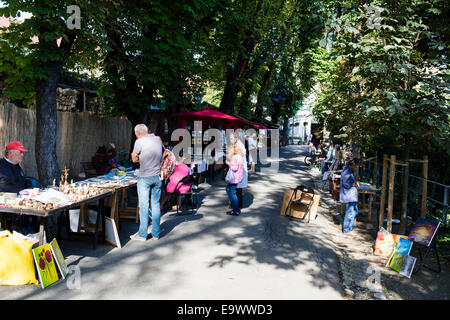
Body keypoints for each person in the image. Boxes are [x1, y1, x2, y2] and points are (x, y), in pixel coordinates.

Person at [130, 124, 163, 241]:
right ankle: (156, 233)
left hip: (144, 177)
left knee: (143, 205)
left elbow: (134, 158)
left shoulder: (139, 141)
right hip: (158, 177)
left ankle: (142, 234)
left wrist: (138, 158)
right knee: (155, 204)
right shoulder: (158, 139)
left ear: (138, 133)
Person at [340, 158, 361, 234]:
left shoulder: (350, 170)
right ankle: (346, 229)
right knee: (350, 212)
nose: (357, 167)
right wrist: (355, 184)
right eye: (356, 165)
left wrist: (355, 182)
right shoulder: (347, 170)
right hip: (349, 195)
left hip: (352, 195)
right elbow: (346, 183)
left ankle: (350, 228)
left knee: (354, 212)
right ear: (354, 164)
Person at [225, 143, 245, 216]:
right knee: (229, 190)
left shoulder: (235, 157)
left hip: (234, 177)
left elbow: (234, 168)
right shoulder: (240, 157)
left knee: (232, 192)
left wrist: (229, 163)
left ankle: (235, 209)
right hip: (237, 177)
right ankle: (234, 208)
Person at [229, 132, 248, 208]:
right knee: (238, 189)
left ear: (236, 138)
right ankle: (238, 204)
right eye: (230, 138)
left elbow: (237, 159)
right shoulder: (238, 144)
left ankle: (236, 206)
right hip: (239, 170)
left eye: (231, 138)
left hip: (238, 170)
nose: (230, 140)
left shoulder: (239, 146)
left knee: (236, 189)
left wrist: (229, 161)